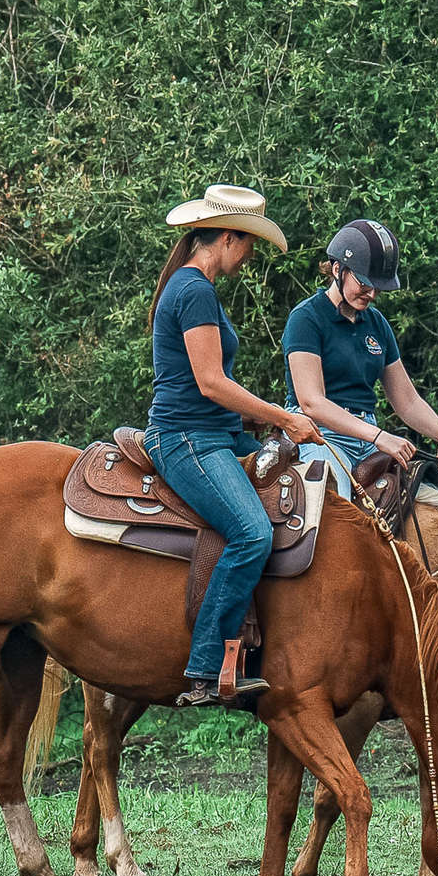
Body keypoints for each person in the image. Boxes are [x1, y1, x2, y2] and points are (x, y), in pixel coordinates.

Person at [143, 185, 323, 708]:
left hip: (215, 433)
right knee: (250, 531)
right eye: (248, 245)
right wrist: (286, 417)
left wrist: (267, 426)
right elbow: (211, 383)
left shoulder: (193, 287)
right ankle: (204, 667)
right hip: (187, 439)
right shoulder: (195, 290)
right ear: (228, 237)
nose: (248, 257)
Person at [281, 218, 438, 497]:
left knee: (428, 500)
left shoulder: (377, 324)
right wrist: (379, 437)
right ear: (337, 269)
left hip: (367, 438)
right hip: (319, 437)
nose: (372, 293)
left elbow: (408, 401)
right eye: (364, 283)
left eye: (378, 287)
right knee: (337, 511)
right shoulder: (306, 318)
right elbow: (312, 402)